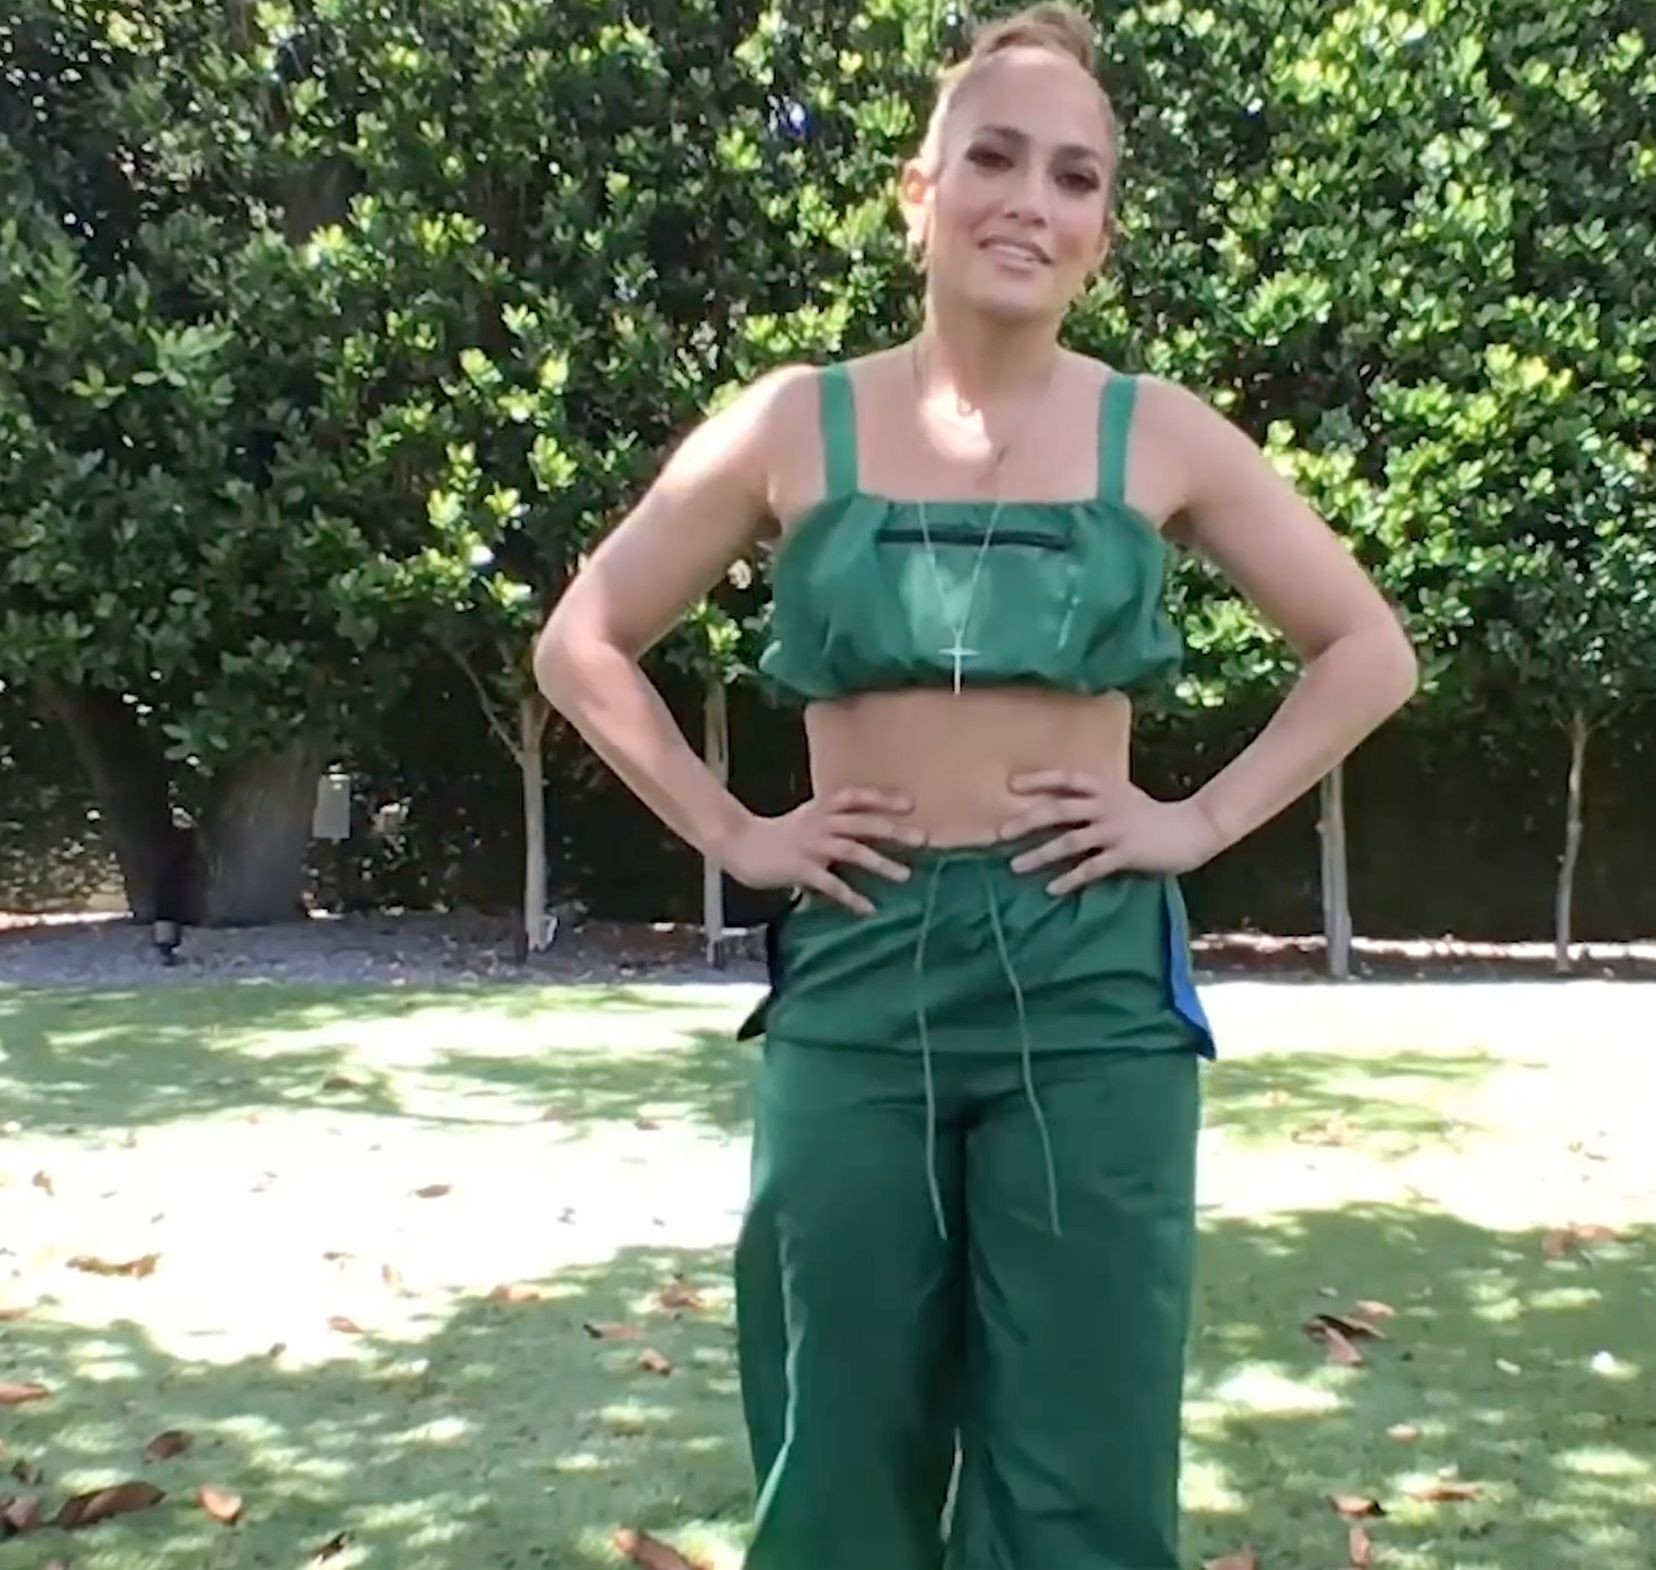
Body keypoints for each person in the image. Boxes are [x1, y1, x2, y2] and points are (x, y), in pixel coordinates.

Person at [535, 5, 1417, 1565]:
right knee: (839, 1426)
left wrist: (1197, 820)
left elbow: (1367, 649)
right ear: (919, 192)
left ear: (1102, 233)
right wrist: (736, 831)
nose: (1031, 199)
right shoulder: (793, 421)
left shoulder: (1161, 433)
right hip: (858, 966)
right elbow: (582, 640)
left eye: (1075, 176)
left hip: (1092, 981)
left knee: (1085, 1439)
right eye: (994, 157)